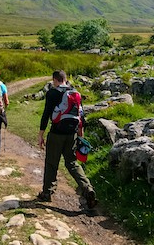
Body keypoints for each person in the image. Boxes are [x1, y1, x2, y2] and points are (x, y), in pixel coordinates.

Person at [37, 70, 97, 209]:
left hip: (56, 133)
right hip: (72, 133)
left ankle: (47, 193)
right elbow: (81, 116)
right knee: (72, 163)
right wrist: (80, 135)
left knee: (52, 163)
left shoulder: (52, 92)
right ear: (65, 79)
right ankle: (88, 188)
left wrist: (41, 134)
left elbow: (46, 114)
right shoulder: (75, 93)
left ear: (55, 80)